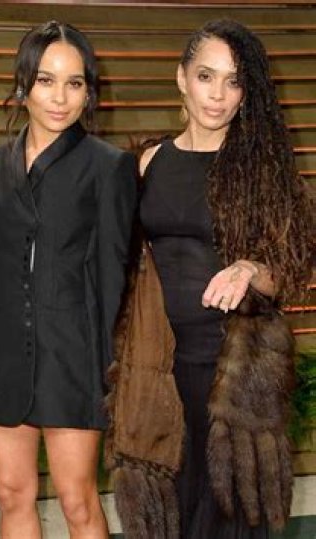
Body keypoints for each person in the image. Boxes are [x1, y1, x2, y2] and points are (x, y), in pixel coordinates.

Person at [109, 19, 314, 538]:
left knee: (229, 512)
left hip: (233, 371)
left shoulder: (261, 168)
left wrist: (249, 268)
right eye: (206, 76)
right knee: (171, 511)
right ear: (182, 78)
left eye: (234, 81)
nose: (218, 95)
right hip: (159, 366)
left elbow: (289, 269)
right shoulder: (148, 161)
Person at [0, 21, 137, 539]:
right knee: (12, 495)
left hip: (72, 356)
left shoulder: (108, 167)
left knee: (78, 501)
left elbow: (112, 278)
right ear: (23, 86)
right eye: (45, 80)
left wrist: (106, 367)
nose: (60, 97)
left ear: (89, 92)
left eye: (74, 83)